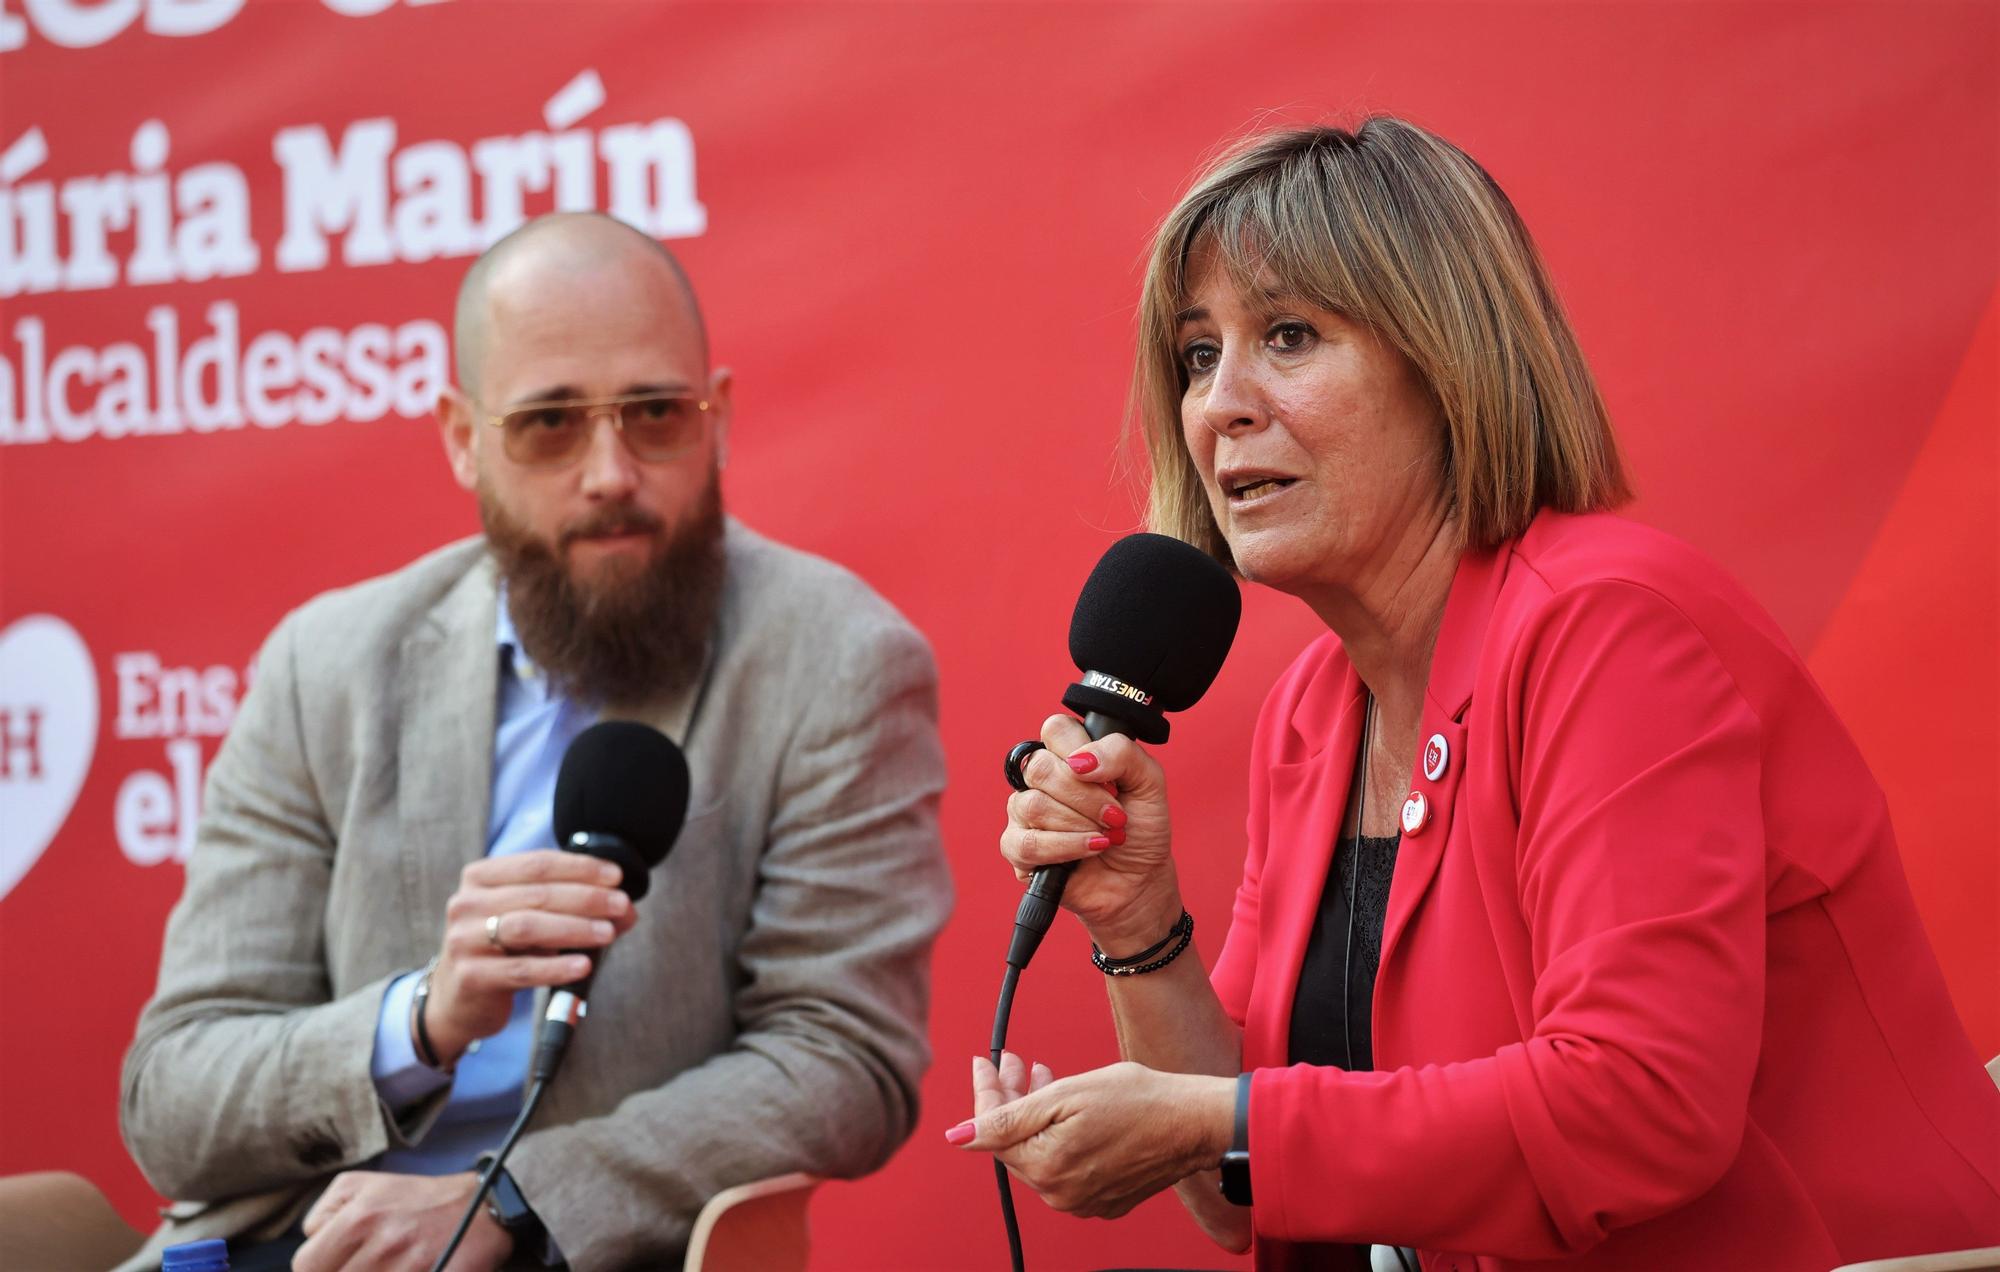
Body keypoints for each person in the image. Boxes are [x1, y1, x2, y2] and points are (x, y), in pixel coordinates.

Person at [952, 119, 2000, 1269]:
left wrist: (1211, 1120)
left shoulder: (1609, 629)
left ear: (1444, 361)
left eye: (1287, 336)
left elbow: (1638, 1112)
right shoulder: (1311, 714)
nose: (1220, 405)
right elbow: (1246, 1195)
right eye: (1198, 356)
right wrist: (1138, 928)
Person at [119, 212, 952, 1272]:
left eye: (654, 412)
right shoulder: (323, 667)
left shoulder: (836, 660)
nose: (609, 471)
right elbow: (172, 1097)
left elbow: (844, 1062)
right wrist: (419, 1021)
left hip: (587, 1249)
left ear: (719, 418)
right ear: (464, 437)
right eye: (549, 424)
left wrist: (511, 1201)